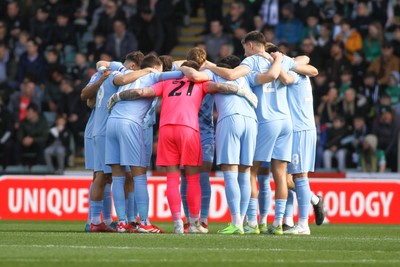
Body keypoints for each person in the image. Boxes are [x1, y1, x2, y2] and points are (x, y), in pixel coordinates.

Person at [107, 60, 257, 234]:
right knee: (193, 178)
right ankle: (194, 223)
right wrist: (245, 93)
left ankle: (177, 222)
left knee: (172, 178)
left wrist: (117, 97)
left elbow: (140, 91)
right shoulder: (201, 83)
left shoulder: (166, 83)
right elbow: (223, 88)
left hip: (166, 131)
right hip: (188, 129)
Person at [204, 31, 316, 235]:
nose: (244, 52)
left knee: (251, 171)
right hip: (286, 122)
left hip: (266, 121)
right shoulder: (281, 60)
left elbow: (231, 75)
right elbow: (305, 71)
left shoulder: (250, 62)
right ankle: (278, 223)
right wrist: (279, 58)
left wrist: (210, 65)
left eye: (245, 47)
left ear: (251, 45)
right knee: (281, 174)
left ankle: (252, 222)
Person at [180, 53, 281, 234]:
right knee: (245, 173)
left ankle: (236, 223)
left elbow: (195, 76)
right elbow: (270, 76)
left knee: (230, 173)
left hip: (230, 119)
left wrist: (183, 67)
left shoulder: (214, 73)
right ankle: (243, 223)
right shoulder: (247, 75)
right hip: (251, 122)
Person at [103, 54, 184, 233]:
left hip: (112, 123)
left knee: (117, 175)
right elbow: (180, 74)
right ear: (157, 68)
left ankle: (122, 222)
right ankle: (145, 222)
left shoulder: (125, 73)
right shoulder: (154, 75)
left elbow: (105, 64)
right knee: (139, 174)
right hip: (130, 124)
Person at [277, 58, 325, 235]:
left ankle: (304, 223)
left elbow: (289, 75)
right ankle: (289, 221)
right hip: (295, 129)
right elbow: (306, 60)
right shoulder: (299, 70)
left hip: (300, 129)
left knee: (298, 176)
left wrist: (275, 61)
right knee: (286, 175)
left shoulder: (294, 74)